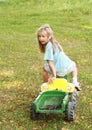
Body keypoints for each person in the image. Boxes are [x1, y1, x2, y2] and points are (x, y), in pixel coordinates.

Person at [37, 24, 81, 91]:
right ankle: (75, 81)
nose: (41, 38)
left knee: (44, 69)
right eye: (39, 36)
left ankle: (46, 86)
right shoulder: (54, 43)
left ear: (49, 37)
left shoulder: (48, 46)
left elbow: (50, 63)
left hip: (59, 70)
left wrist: (54, 76)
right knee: (73, 65)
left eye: (43, 36)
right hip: (67, 67)